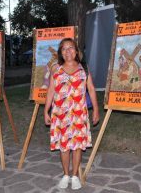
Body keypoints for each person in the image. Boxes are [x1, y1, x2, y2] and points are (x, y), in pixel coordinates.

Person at [44, 38, 99, 190]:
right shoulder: (56, 68)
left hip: (79, 114)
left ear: (76, 50)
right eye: (64, 49)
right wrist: (45, 110)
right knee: (64, 146)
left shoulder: (84, 68)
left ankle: (74, 175)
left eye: (71, 48)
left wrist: (95, 109)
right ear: (61, 52)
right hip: (60, 115)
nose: (68, 51)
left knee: (77, 146)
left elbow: (92, 89)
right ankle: (65, 174)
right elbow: (51, 91)